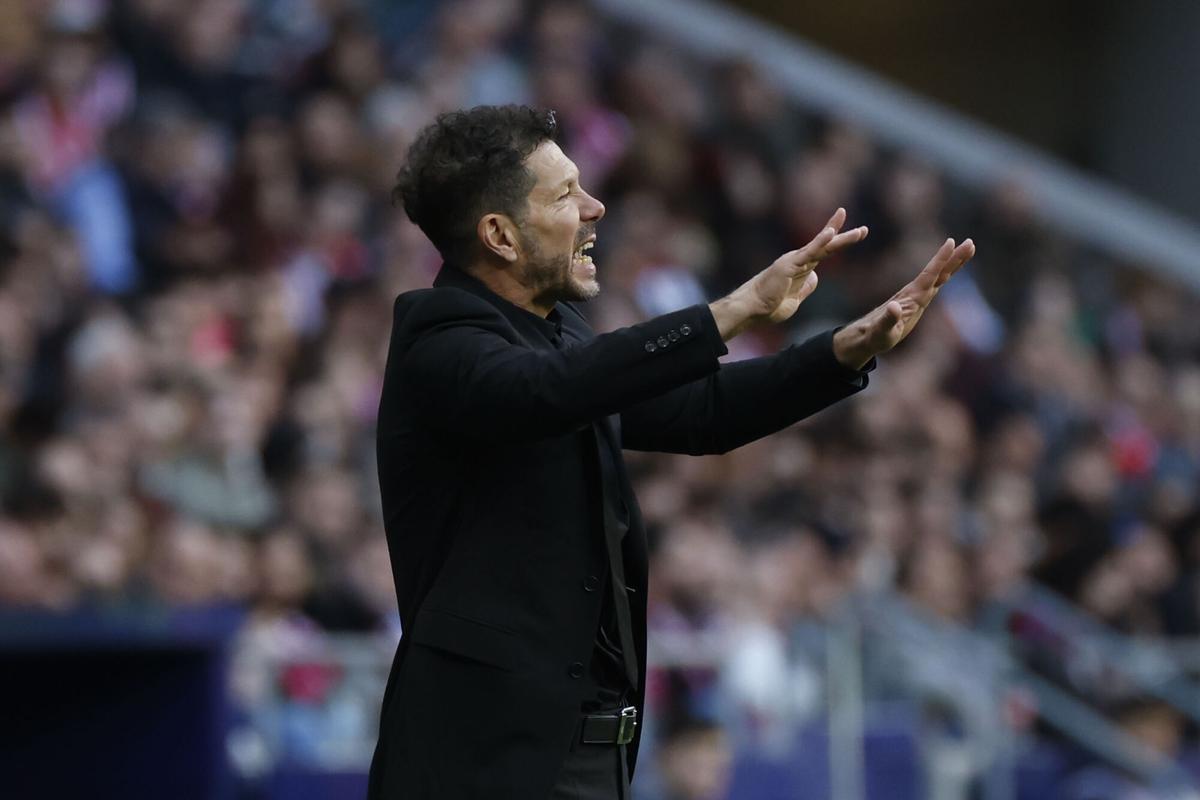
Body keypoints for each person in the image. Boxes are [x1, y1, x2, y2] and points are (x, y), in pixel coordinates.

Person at [368, 105, 975, 800]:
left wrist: (840, 354)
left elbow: (700, 411)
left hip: (590, 761)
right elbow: (547, 392)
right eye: (566, 195)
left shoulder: (555, 334)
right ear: (500, 235)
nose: (596, 208)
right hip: (478, 768)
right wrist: (733, 312)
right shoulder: (438, 342)